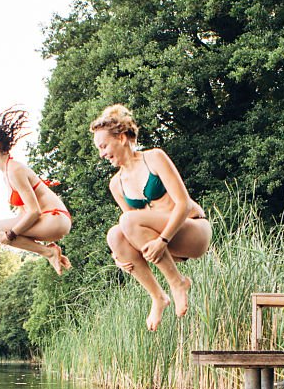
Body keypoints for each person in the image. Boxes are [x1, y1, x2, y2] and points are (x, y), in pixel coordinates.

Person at [89, 105, 212, 331]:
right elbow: (132, 233)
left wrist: (162, 240)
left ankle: (178, 283)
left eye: (104, 146)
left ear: (123, 137)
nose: (102, 154)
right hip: (167, 247)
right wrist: (120, 256)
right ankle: (158, 297)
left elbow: (183, 204)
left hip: (193, 231)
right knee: (115, 235)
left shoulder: (153, 158)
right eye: (99, 149)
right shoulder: (116, 184)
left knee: (127, 221)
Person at [0, 107, 72, 275]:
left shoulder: (14, 170)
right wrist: (11, 238)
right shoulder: (7, 173)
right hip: (52, 221)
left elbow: (34, 212)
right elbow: (23, 215)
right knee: (2, 232)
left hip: (55, 218)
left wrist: (10, 236)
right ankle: (49, 253)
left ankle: (49, 252)